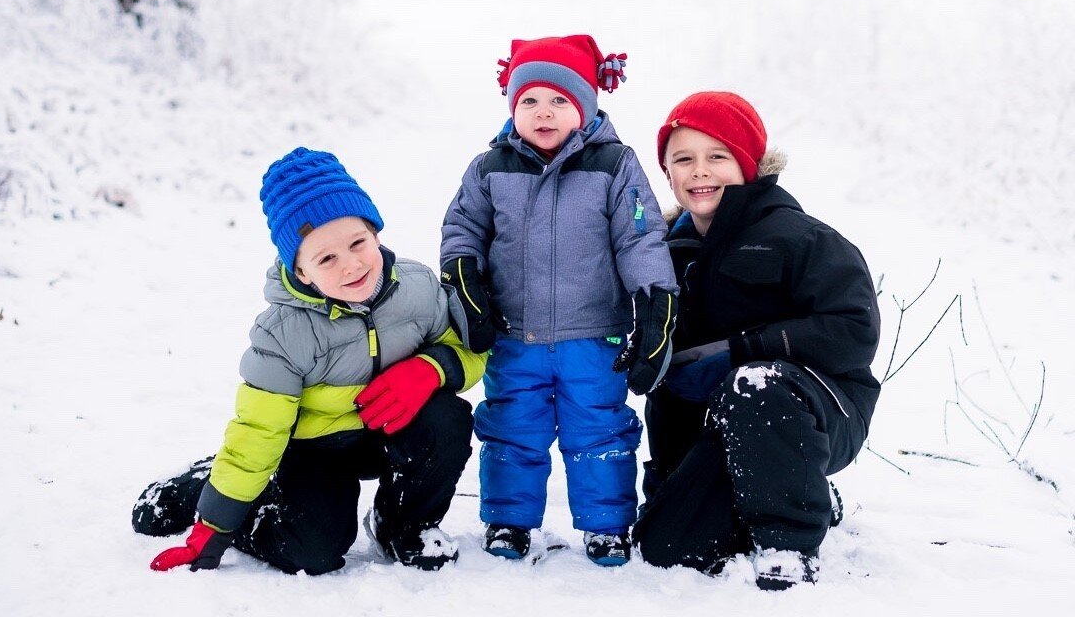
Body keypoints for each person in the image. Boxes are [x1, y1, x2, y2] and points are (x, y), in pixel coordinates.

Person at [132, 147, 486, 575]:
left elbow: (470, 349)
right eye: (326, 259)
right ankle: (209, 490)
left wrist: (431, 368)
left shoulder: (417, 287)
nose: (352, 265)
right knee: (313, 552)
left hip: (388, 430)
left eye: (358, 243)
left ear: (375, 234)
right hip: (315, 449)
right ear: (301, 272)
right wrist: (214, 525)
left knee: (446, 419)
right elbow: (258, 429)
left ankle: (404, 527)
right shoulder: (282, 333)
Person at [440, 35, 679, 567]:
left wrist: (655, 305)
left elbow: (639, 239)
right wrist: (467, 288)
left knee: (599, 430)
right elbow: (462, 234)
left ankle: (608, 526)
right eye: (530, 100)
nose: (543, 112)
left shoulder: (615, 165)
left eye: (558, 101)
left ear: (585, 106)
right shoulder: (488, 169)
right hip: (513, 334)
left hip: (595, 336)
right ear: (512, 107)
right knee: (511, 428)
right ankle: (507, 520)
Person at [633, 91, 880, 590]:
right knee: (666, 549)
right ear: (668, 174)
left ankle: (788, 542)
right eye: (683, 159)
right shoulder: (661, 255)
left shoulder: (801, 238)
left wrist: (745, 349)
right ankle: (780, 493)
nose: (699, 171)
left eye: (717, 156)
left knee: (753, 382)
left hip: (819, 410)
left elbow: (853, 330)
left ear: (749, 164)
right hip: (717, 426)